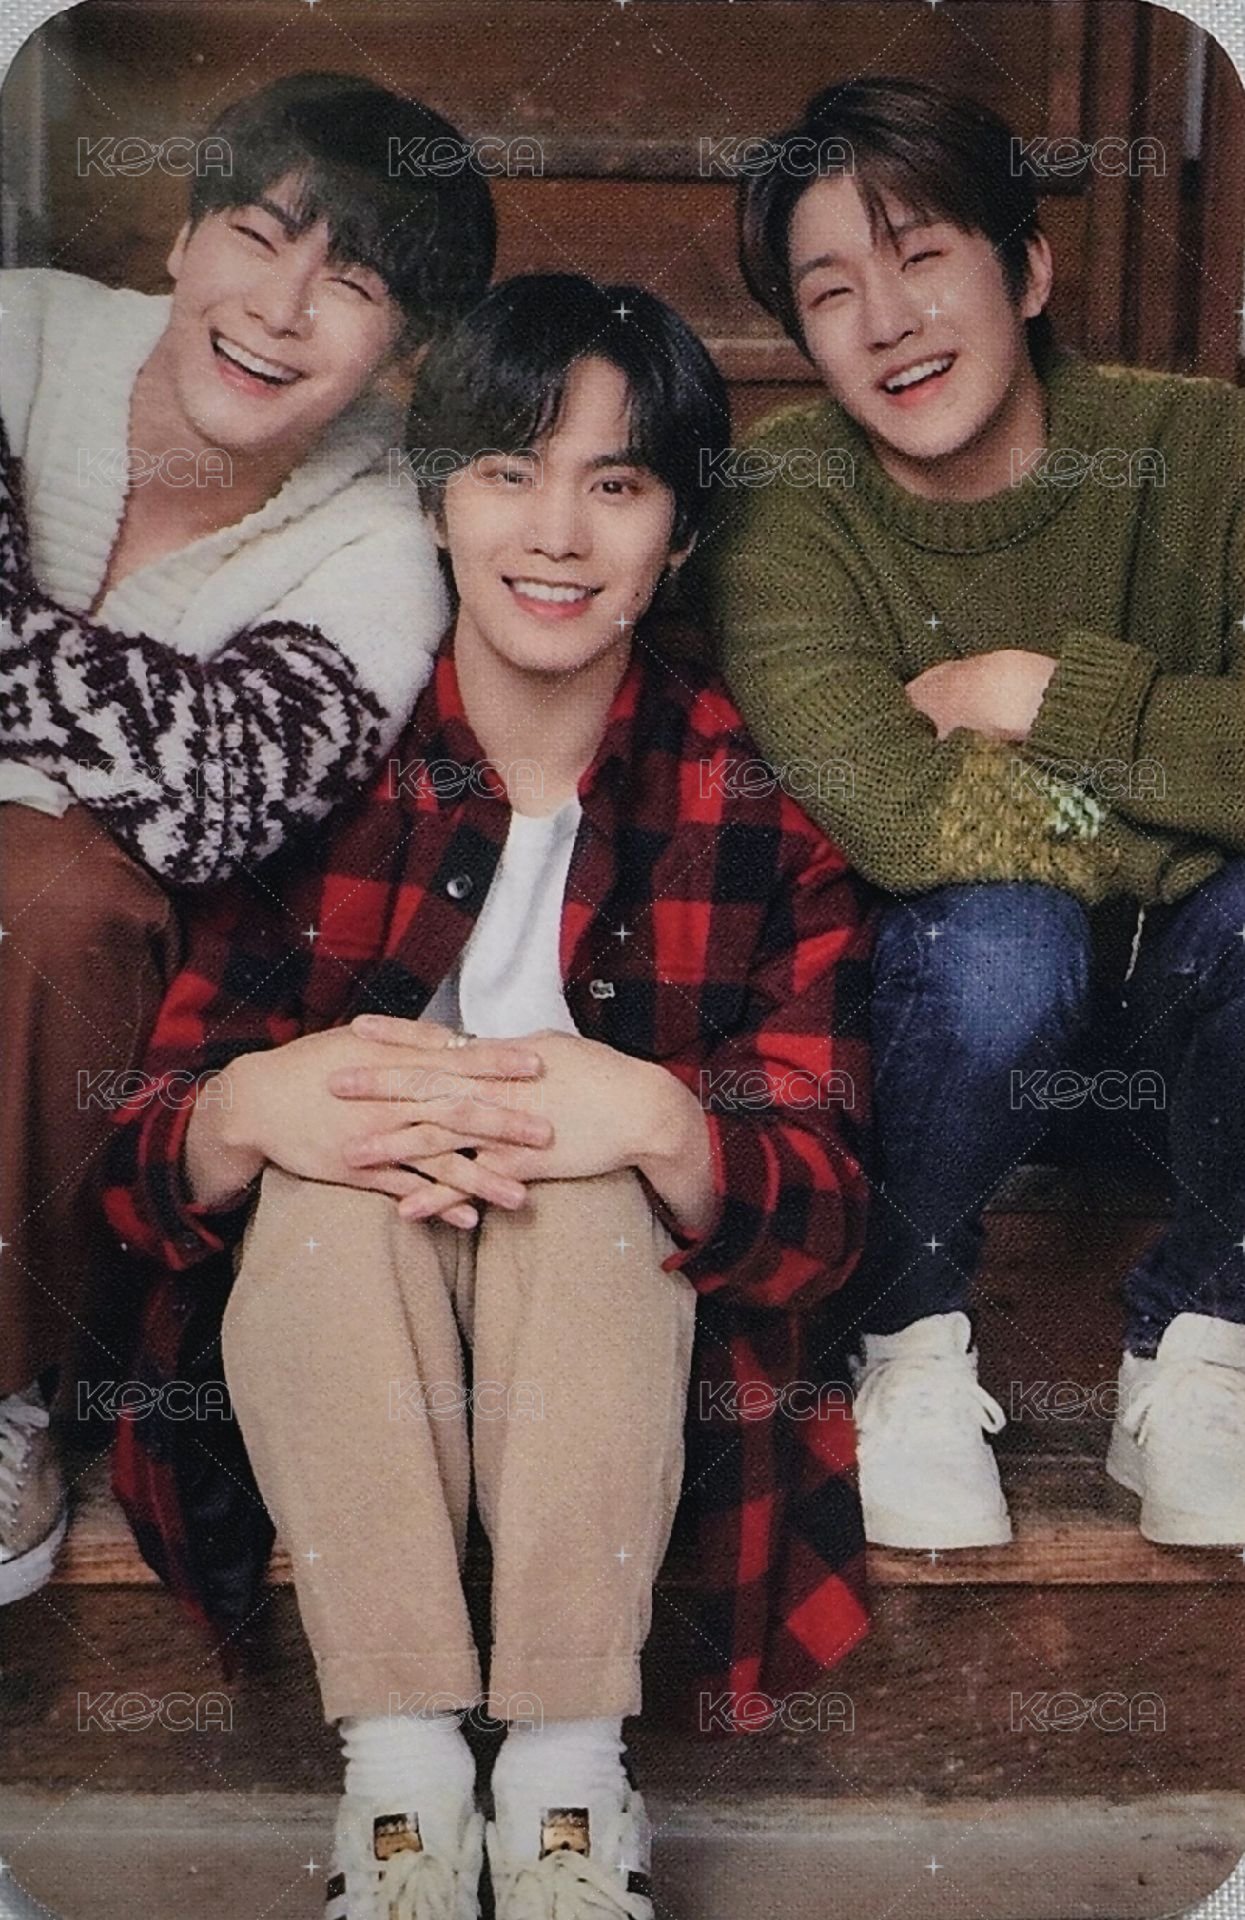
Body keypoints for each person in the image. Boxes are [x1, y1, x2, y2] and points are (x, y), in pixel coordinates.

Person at [102, 274, 873, 1917]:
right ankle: (400, 1790)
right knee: (326, 1181)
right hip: (337, 1319)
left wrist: (660, 1124)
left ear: (677, 534)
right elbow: (131, 1155)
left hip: (613, 1340)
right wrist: (248, 1110)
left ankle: (564, 1789)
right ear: (436, 496)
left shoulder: (748, 801)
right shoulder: (321, 753)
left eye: (618, 483)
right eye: (509, 471)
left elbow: (822, 1215)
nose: (556, 533)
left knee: (591, 1189)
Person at [687, 74, 1245, 1554]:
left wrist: (1032, 692)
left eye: (922, 256)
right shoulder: (781, 502)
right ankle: (909, 1338)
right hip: (944, 1028)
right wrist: (1193, 798)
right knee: (1005, 936)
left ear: (1028, 269)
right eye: (830, 291)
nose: (887, 321)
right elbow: (900, 816)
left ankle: (1202, 1344)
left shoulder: (1203, 453)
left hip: (1203, 1016)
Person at [0, 69, 496, 1605]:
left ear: (402, 352)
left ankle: (7, 1391)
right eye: (258, 236)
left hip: (82, 1005)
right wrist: (111, 736)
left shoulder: (382, 542)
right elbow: (168, 751)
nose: (279, 310)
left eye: (350, 284)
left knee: (59, 891)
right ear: (179, 237)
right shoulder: (18, 331)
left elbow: (214, 805)